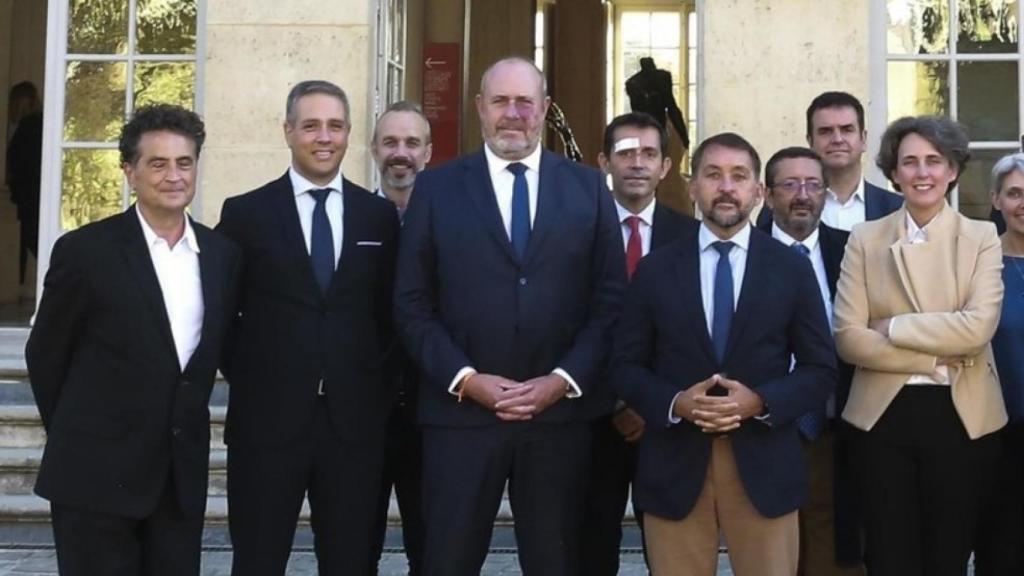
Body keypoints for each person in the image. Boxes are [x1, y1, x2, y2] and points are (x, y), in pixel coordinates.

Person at [394, 56, 625, 576]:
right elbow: (411, 303)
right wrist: (466, 379)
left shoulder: (588, 189)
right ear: (480, 108)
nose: (513, 114)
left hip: (558, 421)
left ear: (544, 109)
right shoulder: (437, 189)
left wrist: (562, 381)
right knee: (446, 562)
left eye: (525, 102)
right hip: (459, 420)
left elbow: (610, 303)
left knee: (558, 562)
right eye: (501, 101)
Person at [25, 104, 240, 575]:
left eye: (184, 163)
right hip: (94, 476)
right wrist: (82, 432)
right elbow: (45, 356)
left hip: (177, 479)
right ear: (130, 171)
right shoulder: (85, 252)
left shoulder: (221, 255)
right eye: (157, 163)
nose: (173, 176)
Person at [612, 132, 837, 576]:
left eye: (739, 176)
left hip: (764, 464)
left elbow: (819, 369)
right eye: (713, 175)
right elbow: (624, 366)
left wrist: (761, 401)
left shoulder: (790, 268)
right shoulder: (656, 268)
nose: (726, 187)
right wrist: (675, 403)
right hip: (675, 465)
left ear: (758, 191)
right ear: (691, 186)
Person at [217, 80, 400, 575]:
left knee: (351, 561)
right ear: (288, 131)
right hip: (266, 424)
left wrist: (368, 387)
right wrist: (259, 378)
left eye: (336, 126)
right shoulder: (244, 214)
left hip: (354, 428)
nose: (325, 137)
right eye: (312, 125)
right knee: (257, 559)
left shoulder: (378, 217)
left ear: (348, 135)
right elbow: (221, 317)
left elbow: (391, 318)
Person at [833, 115, 1005, 576]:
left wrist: (891, 327)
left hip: (961, 414)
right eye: (909, 162)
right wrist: (934, 355)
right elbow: (849, 337)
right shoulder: (865, 238)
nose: (922, 172)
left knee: (946, 555)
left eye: (935, 161)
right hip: (882, 417)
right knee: (889, 556)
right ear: (893, 172)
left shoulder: (982, 237)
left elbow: (977, 329)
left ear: (953, 171)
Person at [580, 111, 696, 575]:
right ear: (604, 161)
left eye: (649, 153)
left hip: (664, 423)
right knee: (589, 549)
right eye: (625, 153)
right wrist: (612, 400)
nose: (637, 164)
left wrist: (651, 403)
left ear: (665, 167)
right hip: (589, 417)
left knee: (670, 555)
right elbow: (563, 322)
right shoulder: (573, 233)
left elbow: (696, 333)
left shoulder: (691, 237)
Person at [760, 147, 864, 575]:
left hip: (838, 424)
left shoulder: (854, 252)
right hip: (765, 424)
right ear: (767, 196)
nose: (802, 195)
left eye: (812, 185)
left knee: (832, 543)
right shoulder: (744, 253)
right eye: (789, 185)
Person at [368, 99, 432, 575]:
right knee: (354, 543)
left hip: (433, 412)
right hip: (362, 413)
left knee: (432, 549)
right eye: (390, 142)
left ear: (427, 152)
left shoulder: (454, 220)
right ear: (374, 149)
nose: (401, 152)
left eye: (411, 142)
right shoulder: (352, 216)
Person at [975, 152, 1024, 576]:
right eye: (1015, 194)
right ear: (996, 199)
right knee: (1001, 549)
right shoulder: (980, 265)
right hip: (996, 431)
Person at [758, 91, 902, 230]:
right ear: (810, 141)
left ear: (863, 139)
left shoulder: (897, 209)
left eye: (847, 130)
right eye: (825, 131)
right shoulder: (780, 206)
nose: (837, 140)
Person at [5, 81, 43, 284]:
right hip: (33, 192)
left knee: (31, 237)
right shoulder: (38, 125)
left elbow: (20, 161)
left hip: (29, 193)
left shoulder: (28, 127)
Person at [625, 57, 689, 151]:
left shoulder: (635, 82)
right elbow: (672, 108)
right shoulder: (634, 83)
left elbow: (672, 107)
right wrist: (684, 136)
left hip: (654, 124)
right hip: (645, 125)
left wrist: (683, 136)